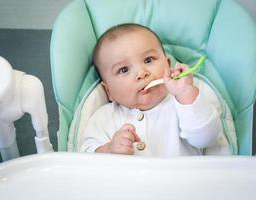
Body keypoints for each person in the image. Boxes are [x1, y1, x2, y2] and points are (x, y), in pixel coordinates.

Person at [80, 23, 232, 156]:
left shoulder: (181, 103)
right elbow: (84, 159)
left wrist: (186, 93)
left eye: (148, 60)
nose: (141, 73)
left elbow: (207, 138)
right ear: (109, 92)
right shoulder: (104, 118)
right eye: (124, 69)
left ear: (168, 65)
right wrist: (109, 149)